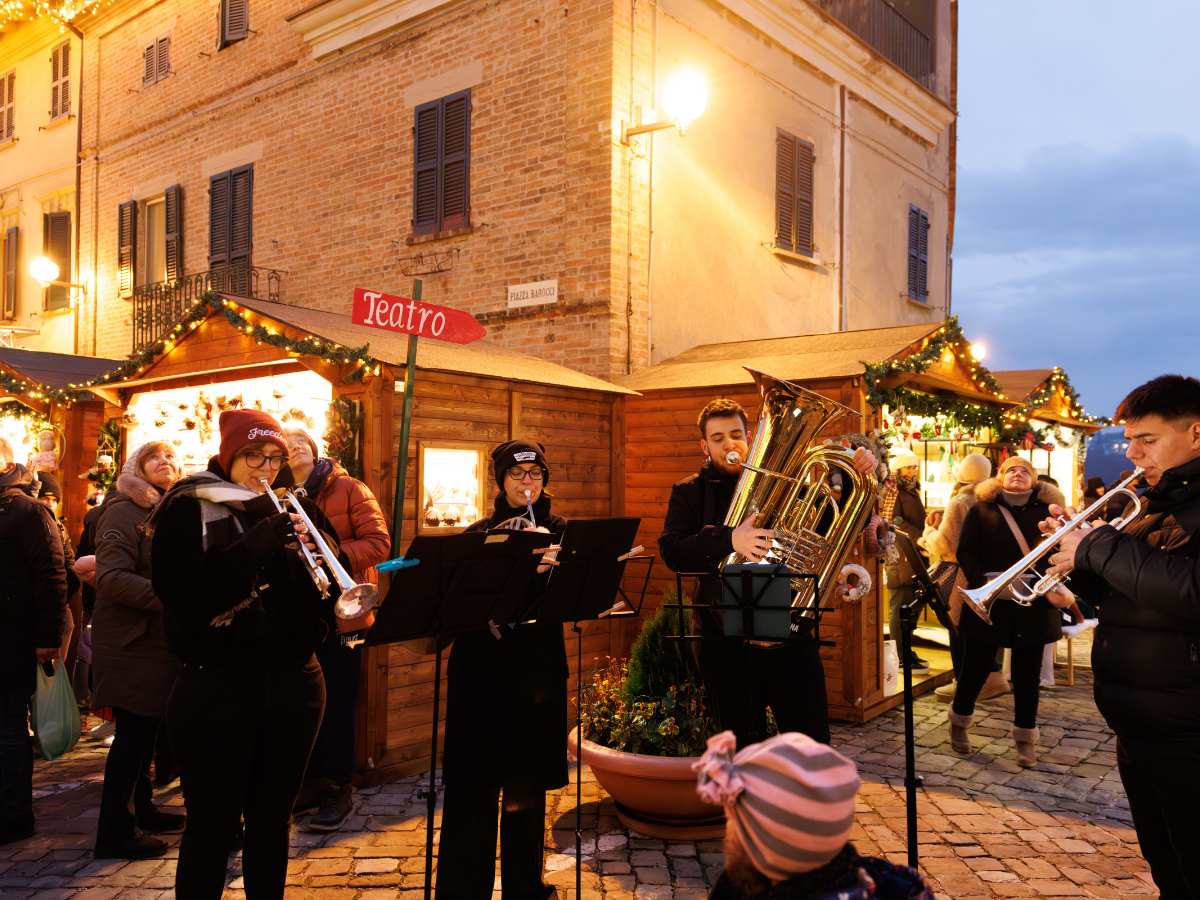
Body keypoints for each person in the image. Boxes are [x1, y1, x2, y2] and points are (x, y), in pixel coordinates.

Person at [150, 410, 337, 899]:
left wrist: (313, 565)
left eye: (276, 457)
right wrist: (257, 544)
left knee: (273, 822)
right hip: (217, 687)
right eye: (254, 455)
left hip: (292, 685)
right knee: (211, 827)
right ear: (230, 454)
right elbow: (179, 593)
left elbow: (329, 588)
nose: (266, 467)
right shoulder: (188, 505)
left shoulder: (296, 506)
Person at [1044, 375, 1200, 898]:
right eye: (1129, 440)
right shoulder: (1154, 502)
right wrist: (1074, 562)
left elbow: (1191, 592)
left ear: (1196, 433)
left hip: (1189, 732)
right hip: (1139, 726)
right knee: (1166, 865)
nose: (1132, 454)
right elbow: (1137, 594)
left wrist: (1097, 548)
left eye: (1146, 440)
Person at [658, 399, 875, 749]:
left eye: (736, 434)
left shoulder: (789, 482)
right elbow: (672, 550)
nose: (730, 445)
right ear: (705, 445)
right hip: (724, 640)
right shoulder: (689, 492)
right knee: (741, 747)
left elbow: (837, 522)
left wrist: (857, 478)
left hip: (789, 631)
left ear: (750, 436)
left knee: (810, 744)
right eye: (718, 438)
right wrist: (730, 538)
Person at [436, 439, 566, 900]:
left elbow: (572, 599)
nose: (527, 483)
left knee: (525, 793)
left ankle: (524, 888)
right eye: (517, 476)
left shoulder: (562, 532)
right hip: (481, 678)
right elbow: (454, 609)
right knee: (471, 790)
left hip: (535, 675)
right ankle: (461, 890)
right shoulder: (478, 534)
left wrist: (554, 573)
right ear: (501, 482)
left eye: (535, 476)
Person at [285, 428, 390, 833]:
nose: (292, 449)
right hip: (300, 614)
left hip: (344, 611)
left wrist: (335, 553)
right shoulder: (276, 496)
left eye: (299, 443)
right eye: (284, 445)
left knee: (340, 701)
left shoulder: (348, 488)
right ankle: (309, 782)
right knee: (306, 700)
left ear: (313, 451)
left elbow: (379, 544)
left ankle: (337, 786)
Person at [695, 730, 934, 899]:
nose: (727, 825)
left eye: (734, 819)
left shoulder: (742, 885)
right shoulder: (891, 883)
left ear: (769, 848)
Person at [91, 442, 186, 859]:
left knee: (144, 734)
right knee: (132, 737)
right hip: (131, 644)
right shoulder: (123, 511)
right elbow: (110, 577)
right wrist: (175, 597)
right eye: (154, 457)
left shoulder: (167, 510)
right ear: (138, 467)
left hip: (154, 642)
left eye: (170, 457)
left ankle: (142, 811)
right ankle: (114, 832)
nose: (164, 462)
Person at [948, 456, 1074, 767]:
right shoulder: (982, 509)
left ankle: (1025, 740)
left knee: (1027, 676)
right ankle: (959, 722)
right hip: (990, 601)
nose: (1018, 474)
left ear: (1035, 480)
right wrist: (985, 583)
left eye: (1025, 471)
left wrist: (1047, 582)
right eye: (1011, 470)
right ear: (1000, 478)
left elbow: (1060, 553)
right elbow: (965, 551)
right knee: (975, 669)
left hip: (1033, 602)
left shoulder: (1048, 513)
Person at [0, 438, 67, 846]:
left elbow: (52, 576)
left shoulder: (26, 509)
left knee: (8, 728)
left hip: (13, 637)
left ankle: (14, 815)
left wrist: (49, 637)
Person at [921, 453, 1009, 703]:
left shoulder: (960, 501)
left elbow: (946, 545)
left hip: (961, 575)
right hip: (987, 574)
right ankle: (990, 678)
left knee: (958, 631)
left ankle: (966, 682)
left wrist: (927, 533)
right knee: (980, 630)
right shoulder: (996, 498)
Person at [881, 449, 929, 672]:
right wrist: (919, 536)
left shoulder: (910, 490)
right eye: (909, 467)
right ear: (898, 469)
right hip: (900, 554)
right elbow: (892, 520)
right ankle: (900, 655)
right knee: (900, 604)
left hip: (912, 553)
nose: (913, 471)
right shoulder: (894, 490)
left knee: (910, 605)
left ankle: (905, 650)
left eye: (915, 467)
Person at [33, 472, 82, 683]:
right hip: (37, 606)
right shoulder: (31, 522)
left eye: (54, 500)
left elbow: (69, 563)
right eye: (45, 497)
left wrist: (64, 592)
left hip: (60, 604)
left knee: (67, 629)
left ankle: (52, 700)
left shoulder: (59, 527)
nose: (50, 503)